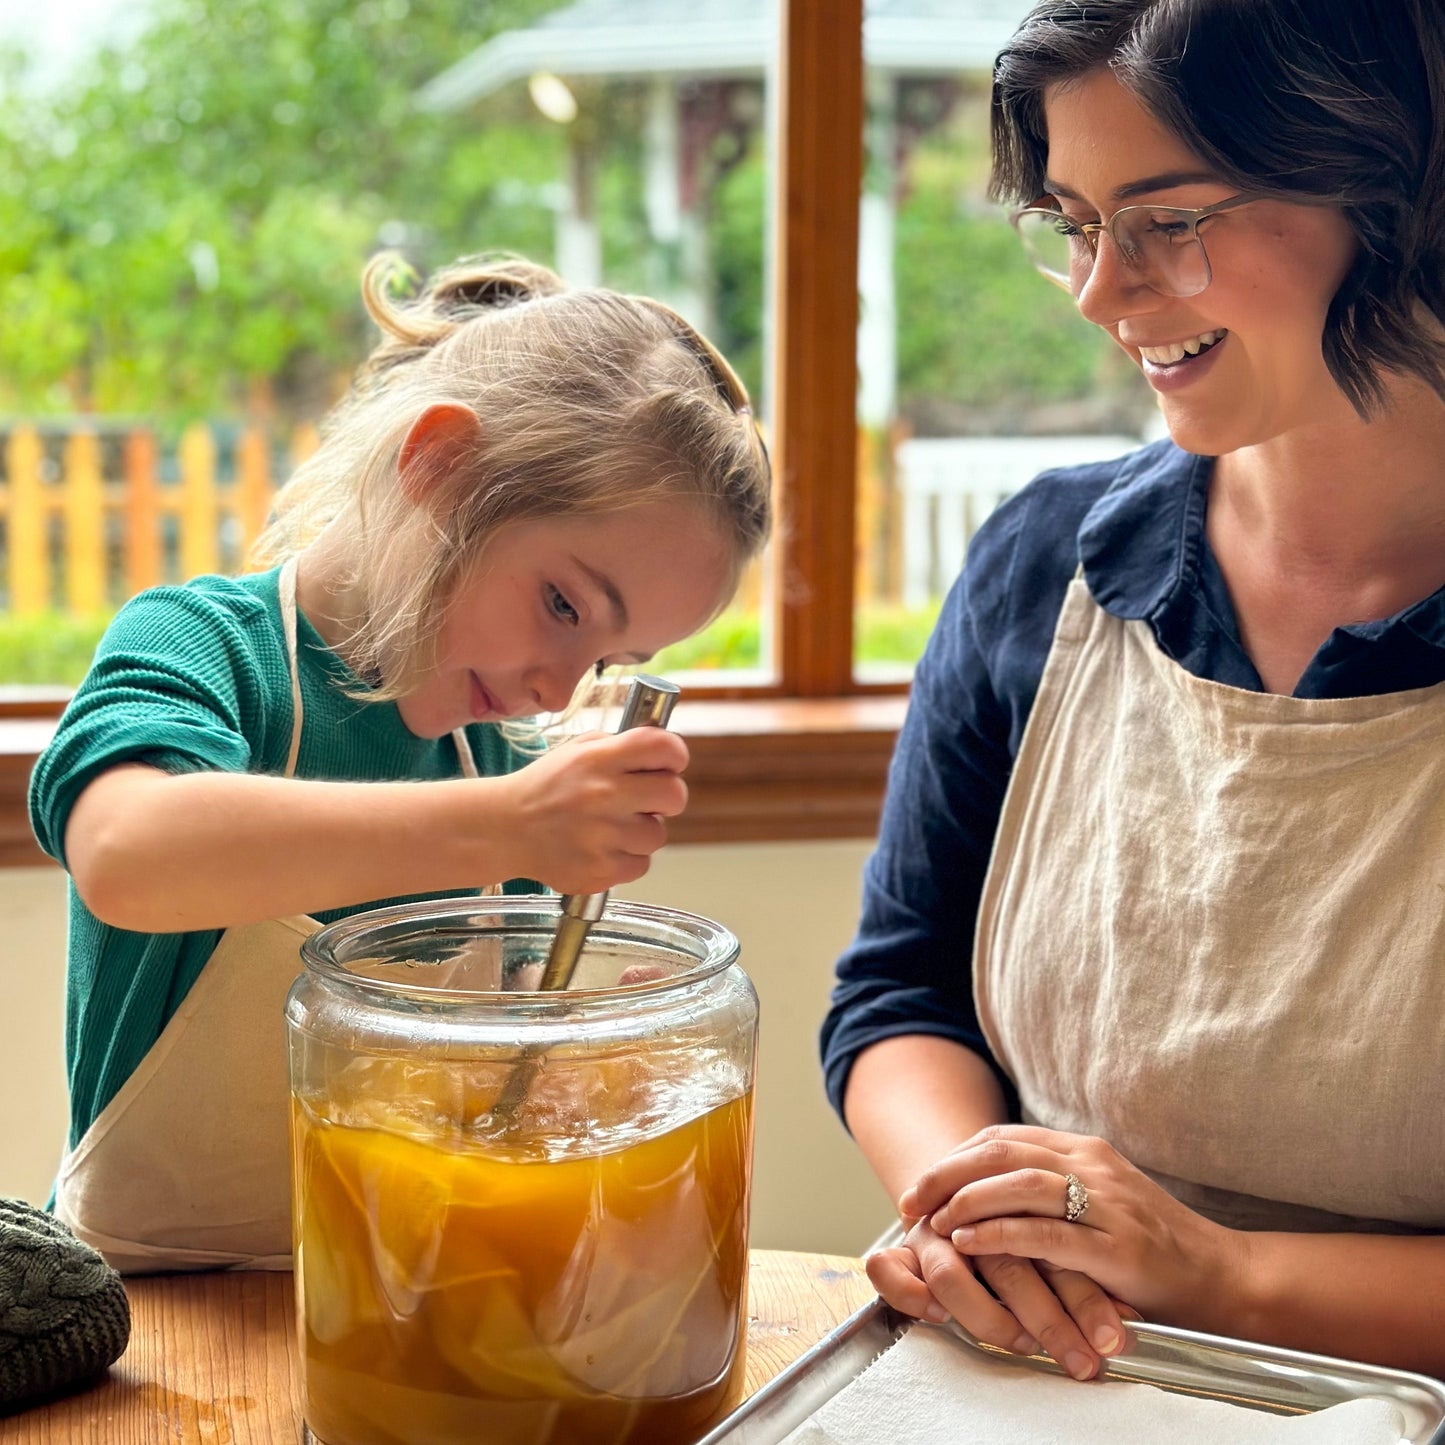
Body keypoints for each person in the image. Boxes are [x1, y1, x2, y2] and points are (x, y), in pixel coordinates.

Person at [823, 0, 1445, 1384]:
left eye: (1167, 223)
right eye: (1075, 225)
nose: (1103, 293)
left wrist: (1221, 1272)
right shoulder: (1041, 563)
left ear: (1398, 195)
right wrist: (976, 1212)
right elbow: (899, 996)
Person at [29, 251, 771, 1274]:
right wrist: (507, 821)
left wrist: (576, 1048)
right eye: (561, 605)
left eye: (605, 659)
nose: (560, 689)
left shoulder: (493, 759)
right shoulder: (203, 647)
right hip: (146, 1311)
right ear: (440, 465)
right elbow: (127, 854)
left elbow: (479, 1100)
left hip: (392, 1295)